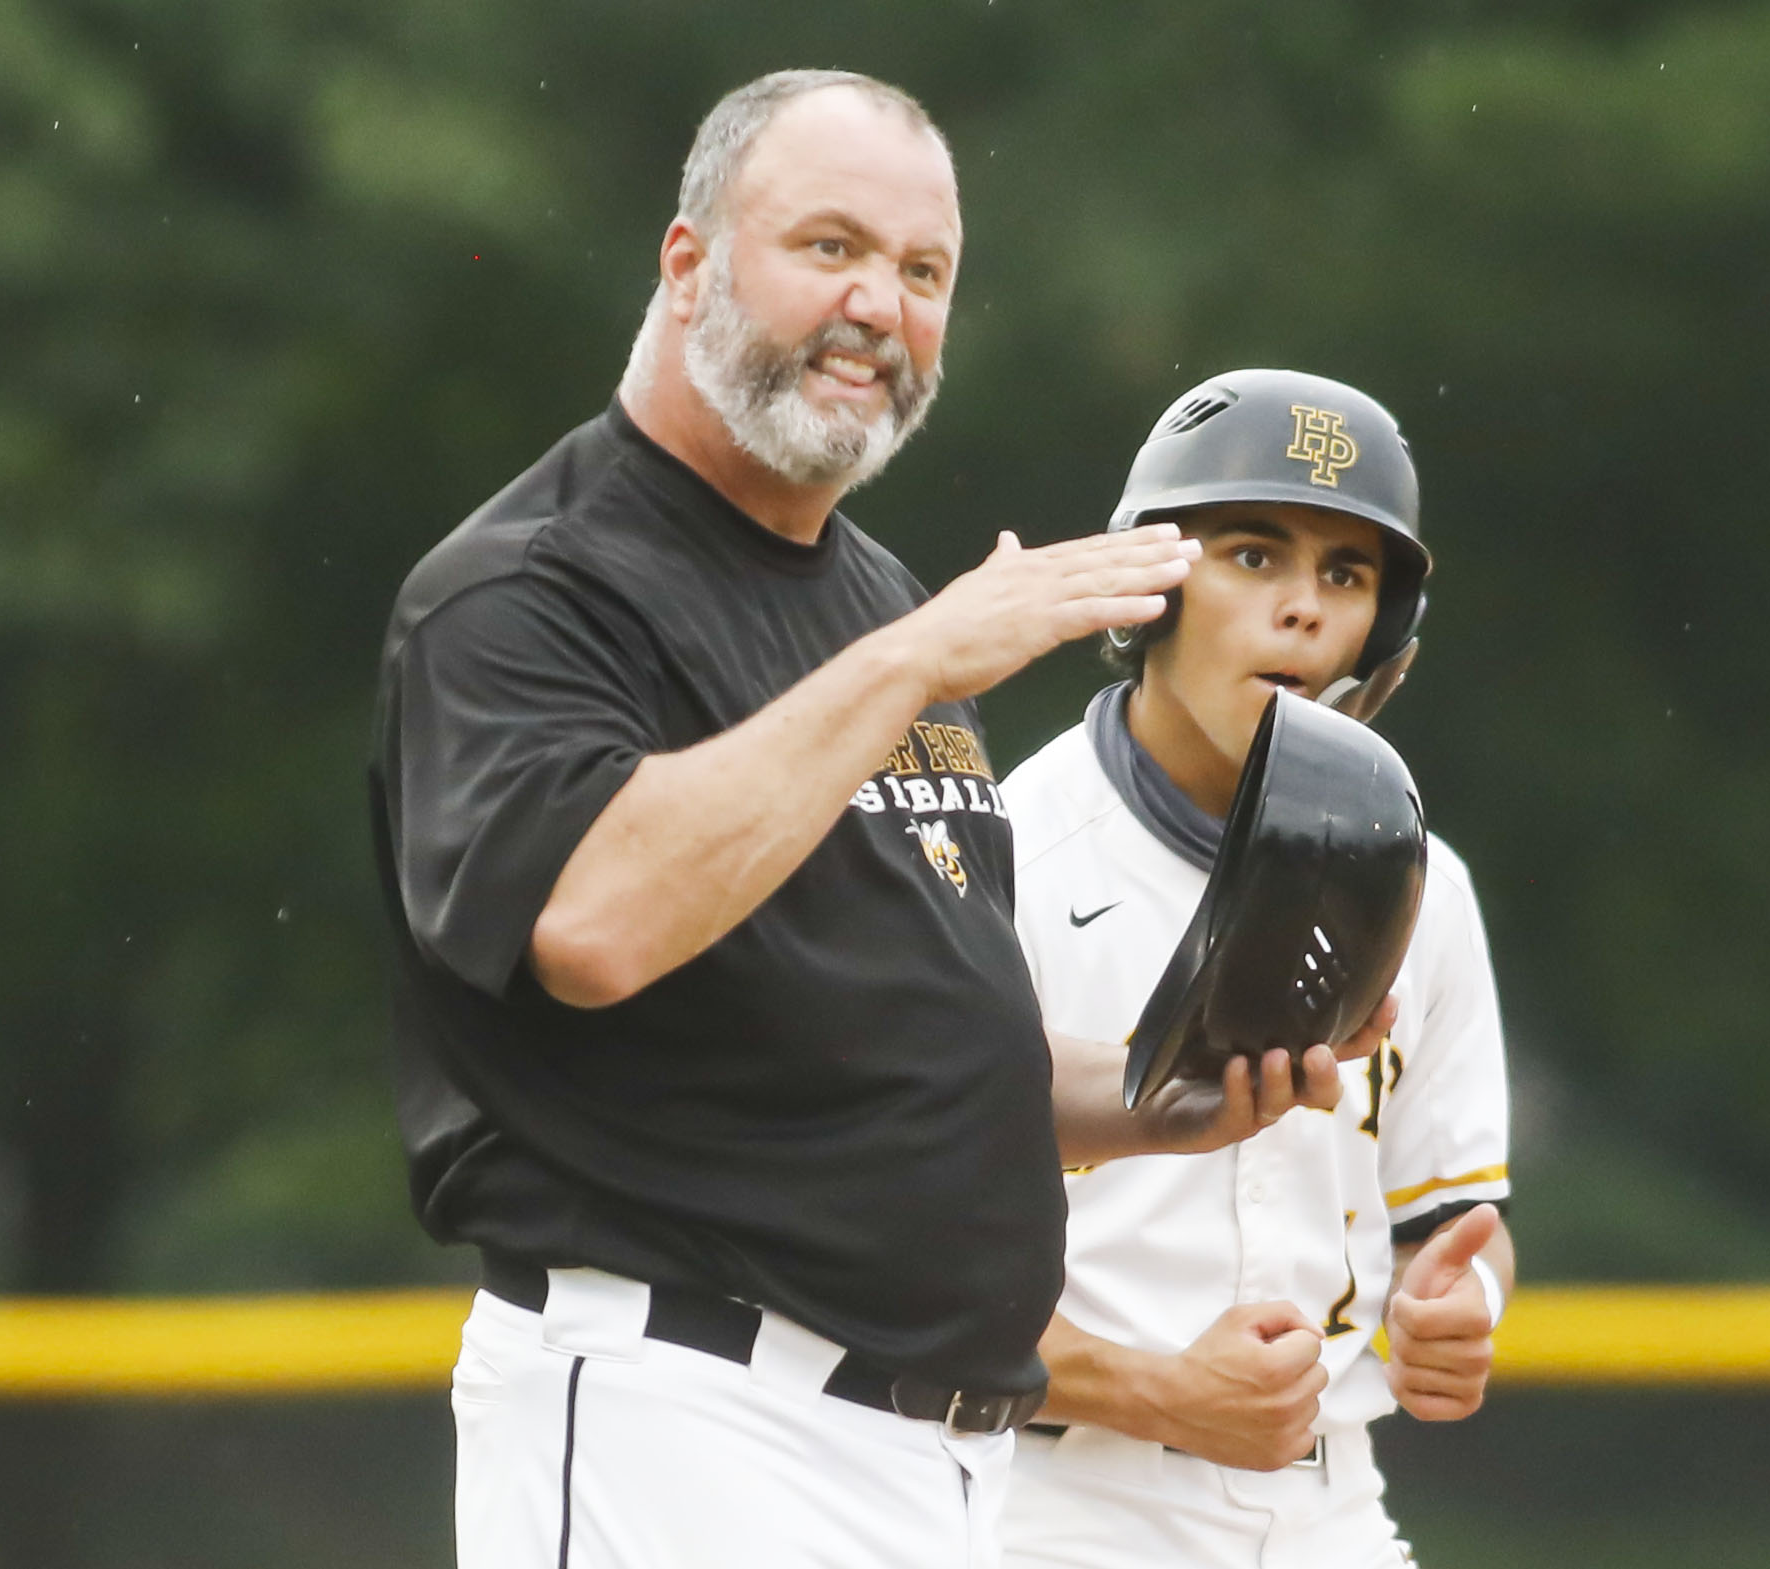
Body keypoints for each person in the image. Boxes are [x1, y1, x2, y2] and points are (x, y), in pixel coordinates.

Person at [368, 76, 1389, 1569]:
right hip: (684, 1418)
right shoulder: (531, 591)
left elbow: (916, 1037)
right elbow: (590, 924)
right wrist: (919, 659)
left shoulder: (874, 597)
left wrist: (1172, 1095)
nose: (877, 307)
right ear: (688, 262)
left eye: (922, 274)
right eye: (829, 248)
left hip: (932, 1462)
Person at [996, 369, 1515, 1569]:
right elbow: (897, 1262)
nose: (1302, 610)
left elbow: (1455, 1221)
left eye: (1346, 575)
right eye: (1252, 554)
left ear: (1383, 631)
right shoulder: (1004, 849)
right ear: (1152, 583)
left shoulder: (1421, 883)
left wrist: (1465, 1310)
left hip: (1333, 1508)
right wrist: (1157, 1391)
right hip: (1054, 1507)